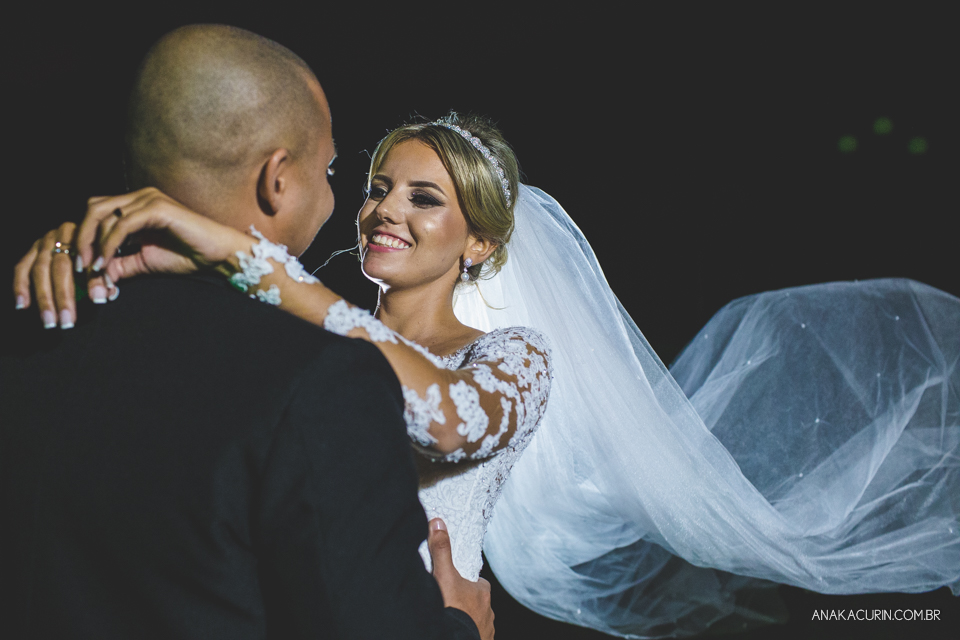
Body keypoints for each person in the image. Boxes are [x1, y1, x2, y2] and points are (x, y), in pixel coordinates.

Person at [15, 115, 960, 637]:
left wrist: (254, 264)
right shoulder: (302, 314)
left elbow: (445, 421)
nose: (385, 209)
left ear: (481, 242)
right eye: (380, 185)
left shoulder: (510, 359)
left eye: (425, 199)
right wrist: (107, 247)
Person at [0, 24, 493, 640]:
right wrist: (459, 627)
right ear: (276, 179)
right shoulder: (324, 380)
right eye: (335, 171)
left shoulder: (33, 321)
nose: (367, 207)